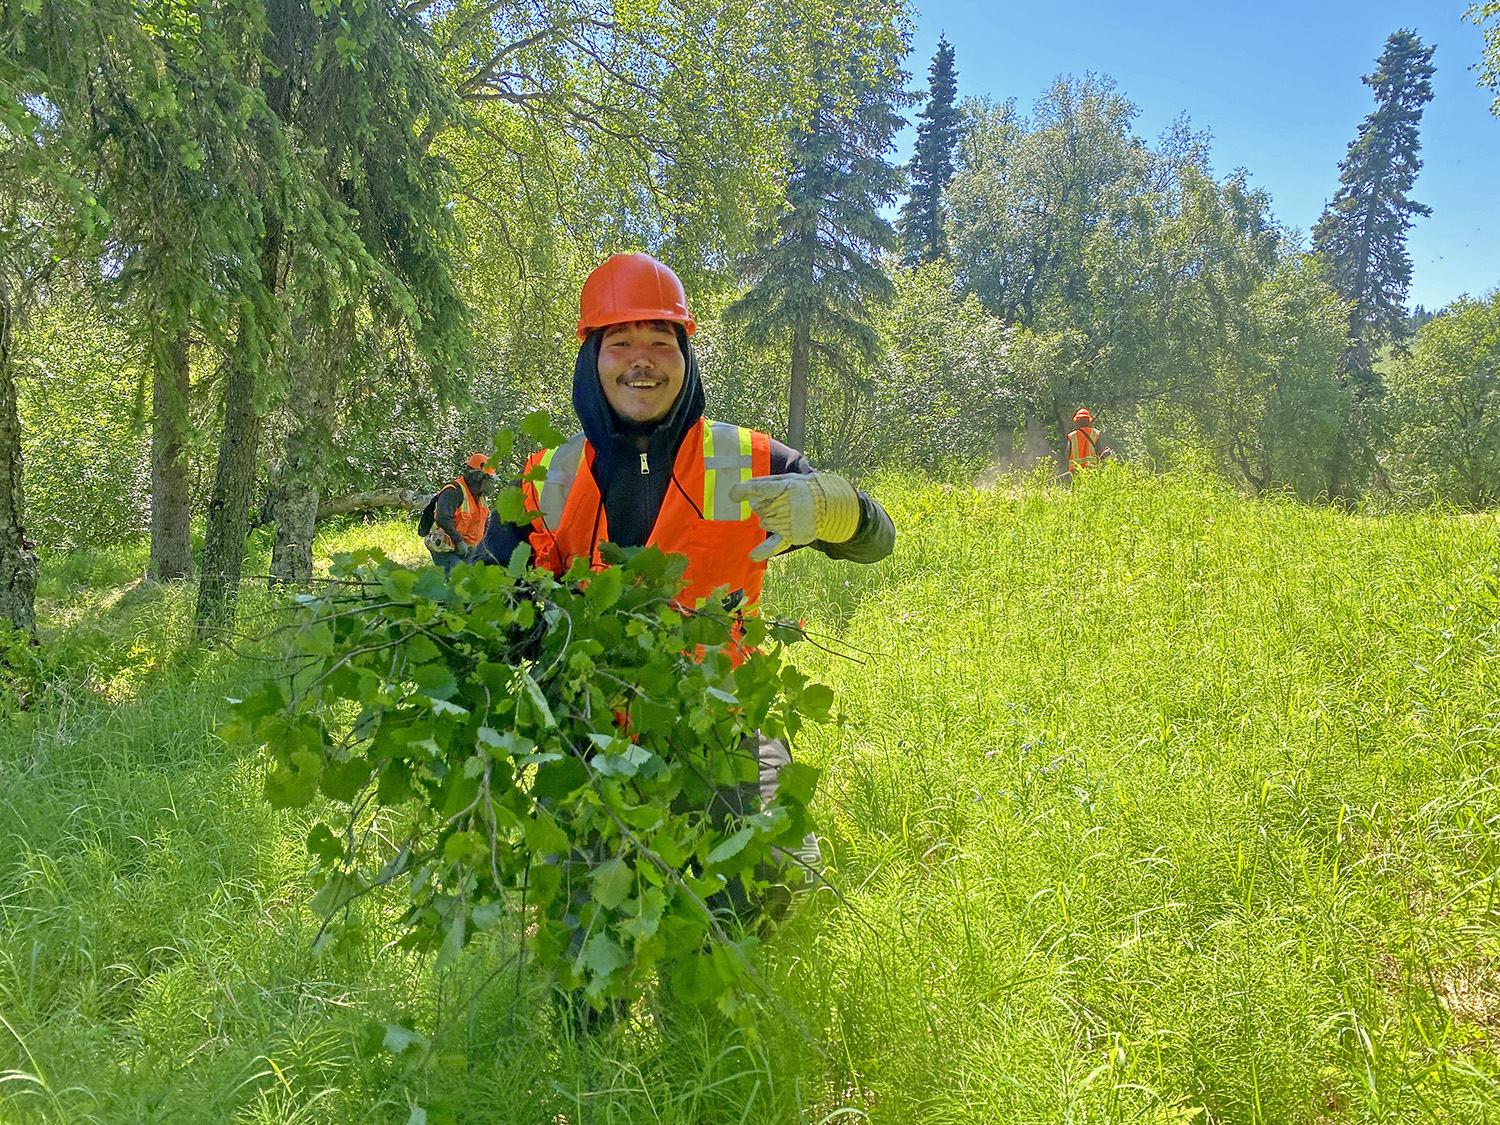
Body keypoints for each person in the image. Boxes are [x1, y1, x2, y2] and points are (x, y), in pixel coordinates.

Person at [481, 252, 895, 890]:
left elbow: (878, 541)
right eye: (620, 342)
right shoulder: (547, 476)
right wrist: (492, 596)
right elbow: (490, 612)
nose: (641, 359)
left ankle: (773, 818)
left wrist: (837, 510)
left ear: (686, 355)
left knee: (758, 902)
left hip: (716, 728)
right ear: (592, 359)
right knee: (582, 949)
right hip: (585, 737)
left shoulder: (747, 460)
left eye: (660, 341)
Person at [421, 452, 497, 572]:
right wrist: (459, 542)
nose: (490, 485)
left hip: (469, 550)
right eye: (488, 479)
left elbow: (485, 522)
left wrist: (482, 546)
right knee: (457, 580)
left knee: (472, 582)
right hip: (446, 547)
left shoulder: (479, 497)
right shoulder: (452, 492)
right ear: (477, 477)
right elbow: (443, 518)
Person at [1065, 408, 1112, 473]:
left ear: (1077, 421)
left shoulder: (1072, 436)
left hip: (1075, 470)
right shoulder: (1095, 433)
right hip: (1091, 469)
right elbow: (1099, 452)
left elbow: (1067, 454)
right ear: (1088, 421)